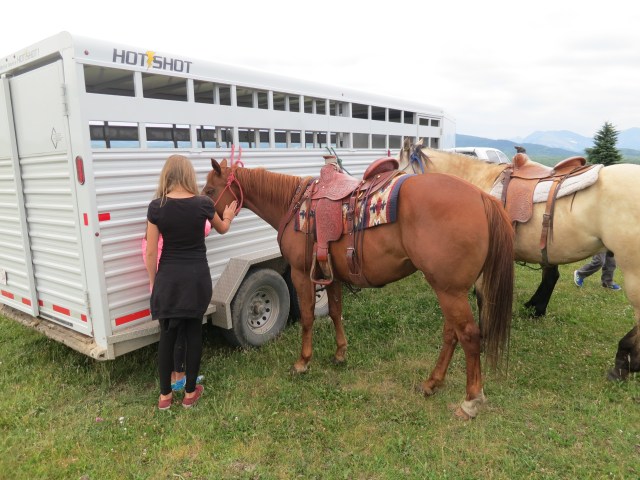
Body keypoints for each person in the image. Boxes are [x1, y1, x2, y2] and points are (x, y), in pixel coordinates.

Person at [145, 154, 237, 410]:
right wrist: (228, 215)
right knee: (193, 333)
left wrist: (155, 283)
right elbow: (223, 229)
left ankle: (164, 397)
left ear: (166, 175)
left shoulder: (156, 207)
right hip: (197, 277)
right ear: (188, 175)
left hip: (168, 279)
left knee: (167, 336)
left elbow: (152, 252)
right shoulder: (204, 204)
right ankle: (189, 393)